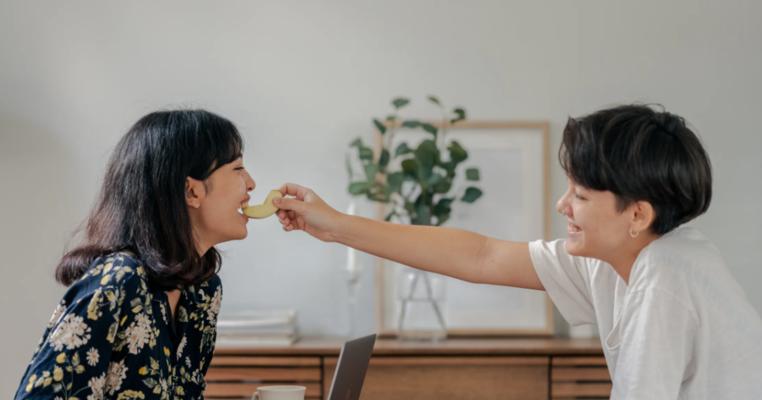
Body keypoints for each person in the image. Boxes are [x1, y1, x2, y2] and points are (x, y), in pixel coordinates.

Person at [274, 104, 762, 399]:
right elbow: (481, 256)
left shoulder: (666, 276)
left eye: (582, 197)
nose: (562, 205)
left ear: (637, 214)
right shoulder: (617, 258)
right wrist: (336, 224)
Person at [15, 110, 256, 399]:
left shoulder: (202, 291)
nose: (251, 183)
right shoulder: (120, 279)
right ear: (191, 191)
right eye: (238, 168)